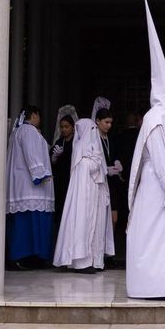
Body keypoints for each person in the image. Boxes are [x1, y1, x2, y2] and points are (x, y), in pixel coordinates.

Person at [127, 0, 165, 299]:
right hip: (157, 182)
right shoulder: (156, 122)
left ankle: (151, 282)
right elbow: (162, 159)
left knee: (149, 232)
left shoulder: (153, 119)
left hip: (152, 182)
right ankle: (158, 284)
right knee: (157, 233)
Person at [51, 111, 114, 271]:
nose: (95, 134)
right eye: (92, 130)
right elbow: (92, 172)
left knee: (94, 227)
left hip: (94, 198)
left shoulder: (87, 153)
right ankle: (82, 262)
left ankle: (94, 260)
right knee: (83, 226)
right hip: (86, 201)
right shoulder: (84, 157)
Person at [6, 105, 54, 268]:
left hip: (19, 186)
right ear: (34, 115)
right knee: (30, 225)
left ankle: (23, 257)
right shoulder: (29, 131)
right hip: (31, 189)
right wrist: (40, 173)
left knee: (20, 224)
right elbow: (32, 153)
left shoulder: (16, 132)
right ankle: (30, 256)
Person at [96, 101, 128, 267]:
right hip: (100, 181)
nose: (109, 125)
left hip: (113, 182)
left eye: (110, 123)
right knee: (101, 217)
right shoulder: (94, 137)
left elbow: (115, 153)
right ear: (97, 121)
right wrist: (104, 169)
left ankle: (108, 251)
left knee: (114, 218)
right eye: (106, 122)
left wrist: (117, 162)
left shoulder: (111, 137)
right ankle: (99, 251)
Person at [50, 107, 76, 227]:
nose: (64, 129)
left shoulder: (77, 142)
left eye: (67, 127)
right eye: (62, 127)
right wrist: (54, 158)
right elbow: (51, 163)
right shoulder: (59, 142)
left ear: (72, 127)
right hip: (60, 182)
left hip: (73, 179)